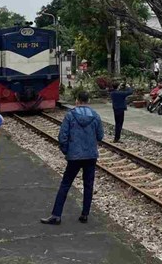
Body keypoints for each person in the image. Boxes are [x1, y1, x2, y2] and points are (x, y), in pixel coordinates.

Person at [41, 91, 104, 225]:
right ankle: (85, 214)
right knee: (88, 185)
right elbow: (100, 136)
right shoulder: (96, 116)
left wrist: (67, 151)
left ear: (77, 100)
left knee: (65, 184)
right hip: (91, 156)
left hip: (74, 156)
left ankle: (56, 215)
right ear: (88, 101)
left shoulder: (70, 116)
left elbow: (62, 137)